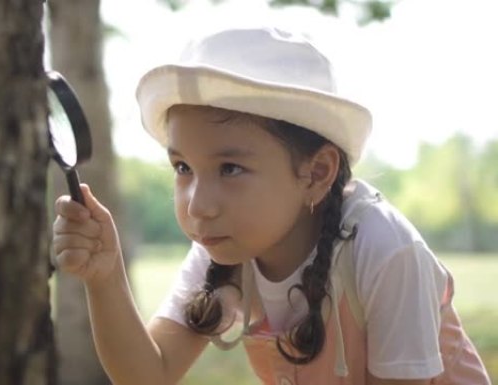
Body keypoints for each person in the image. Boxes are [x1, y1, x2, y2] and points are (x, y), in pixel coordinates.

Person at [52, 26, 490, 385]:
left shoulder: (385, 249)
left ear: (316, 173)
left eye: (229, 169)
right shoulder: (222, 250)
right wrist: (105, 278)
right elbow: (148, 374)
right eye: (183, 166)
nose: (199, 206)